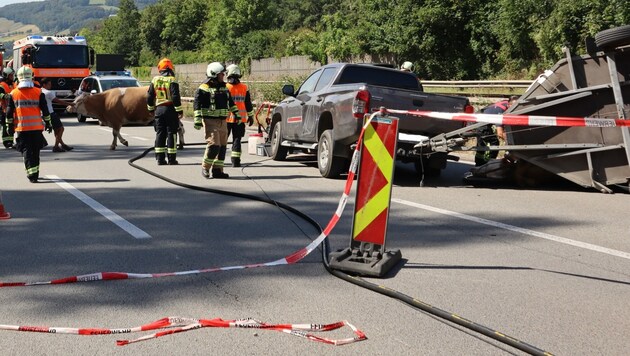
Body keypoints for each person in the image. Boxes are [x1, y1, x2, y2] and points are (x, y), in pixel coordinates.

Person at [6, 66, 52, 183]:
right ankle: (35, 173)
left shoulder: (13, 93)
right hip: (36, 128)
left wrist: (9, 127)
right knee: (35, 151)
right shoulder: (38, 92)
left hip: (22, 128)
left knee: (26, 151)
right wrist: (48, 123)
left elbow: (9, 113)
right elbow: (45, 110)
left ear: (19, 78)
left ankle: (32, 174)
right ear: (31, 77)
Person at [193, 62, 239, 179]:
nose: (223, 76)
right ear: (213, 74)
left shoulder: (224, 88)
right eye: (221, 74)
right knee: (214, 145)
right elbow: (197, 105)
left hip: (223, 121)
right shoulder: (203, 89)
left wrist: (237, 115)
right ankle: (205, 167)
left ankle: (218, 170)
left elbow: (231, 103)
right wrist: (197, 120)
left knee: (223, 147)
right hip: (210, 121)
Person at [147, 58, 183, 165]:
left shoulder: (155, 80)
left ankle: (160, 159)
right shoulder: (172, 80)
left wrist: (150, 109)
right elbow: (175, 97)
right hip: (170, 109)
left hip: (159, 110)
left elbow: (149, 96)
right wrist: (179, 110)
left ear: (160, 69)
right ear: (171, 67)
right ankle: (172, 159)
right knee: (171, 133)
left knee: (160, 133)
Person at [474, 95, 519, 166]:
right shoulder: (501, 110)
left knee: (481, 145)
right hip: (480, 122)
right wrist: (510, 142)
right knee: (494, 143)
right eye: (513, 106)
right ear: (509, 104)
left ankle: (479, 164)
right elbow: (500, 133)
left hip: (482, 120)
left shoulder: (506, 104)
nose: (515, 109)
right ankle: (489, 164)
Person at [225, 64, 254, 167]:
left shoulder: (225, 87)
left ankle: (219, 161)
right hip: (240, 119)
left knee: (223, 140)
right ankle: (236, 161)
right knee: (237, 139)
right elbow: (248, 104)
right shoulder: (244, 87)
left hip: (226, 119)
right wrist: (251, 116)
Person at [41, 78, 73, 152]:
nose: (50, 85)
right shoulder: (48, 92)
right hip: (50, 113)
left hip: (42, 114)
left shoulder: (39, 91)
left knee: (56, 130)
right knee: (61, 129)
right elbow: (58, 101)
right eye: (49, 84)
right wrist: (70, 103)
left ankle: (62, 145)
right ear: (44, 85)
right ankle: (56, 147)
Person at [0, 67, 16, 148]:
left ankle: (11, 140)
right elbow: (1, 95)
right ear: (6, 76)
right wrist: (7, 96)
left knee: (12, 126)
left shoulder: (13, 84)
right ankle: (7, 142)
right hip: (4, 109)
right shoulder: (2, 85)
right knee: (5, 125)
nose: (12, 77)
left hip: (12, 109)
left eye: (12, 75)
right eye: (10, 75)